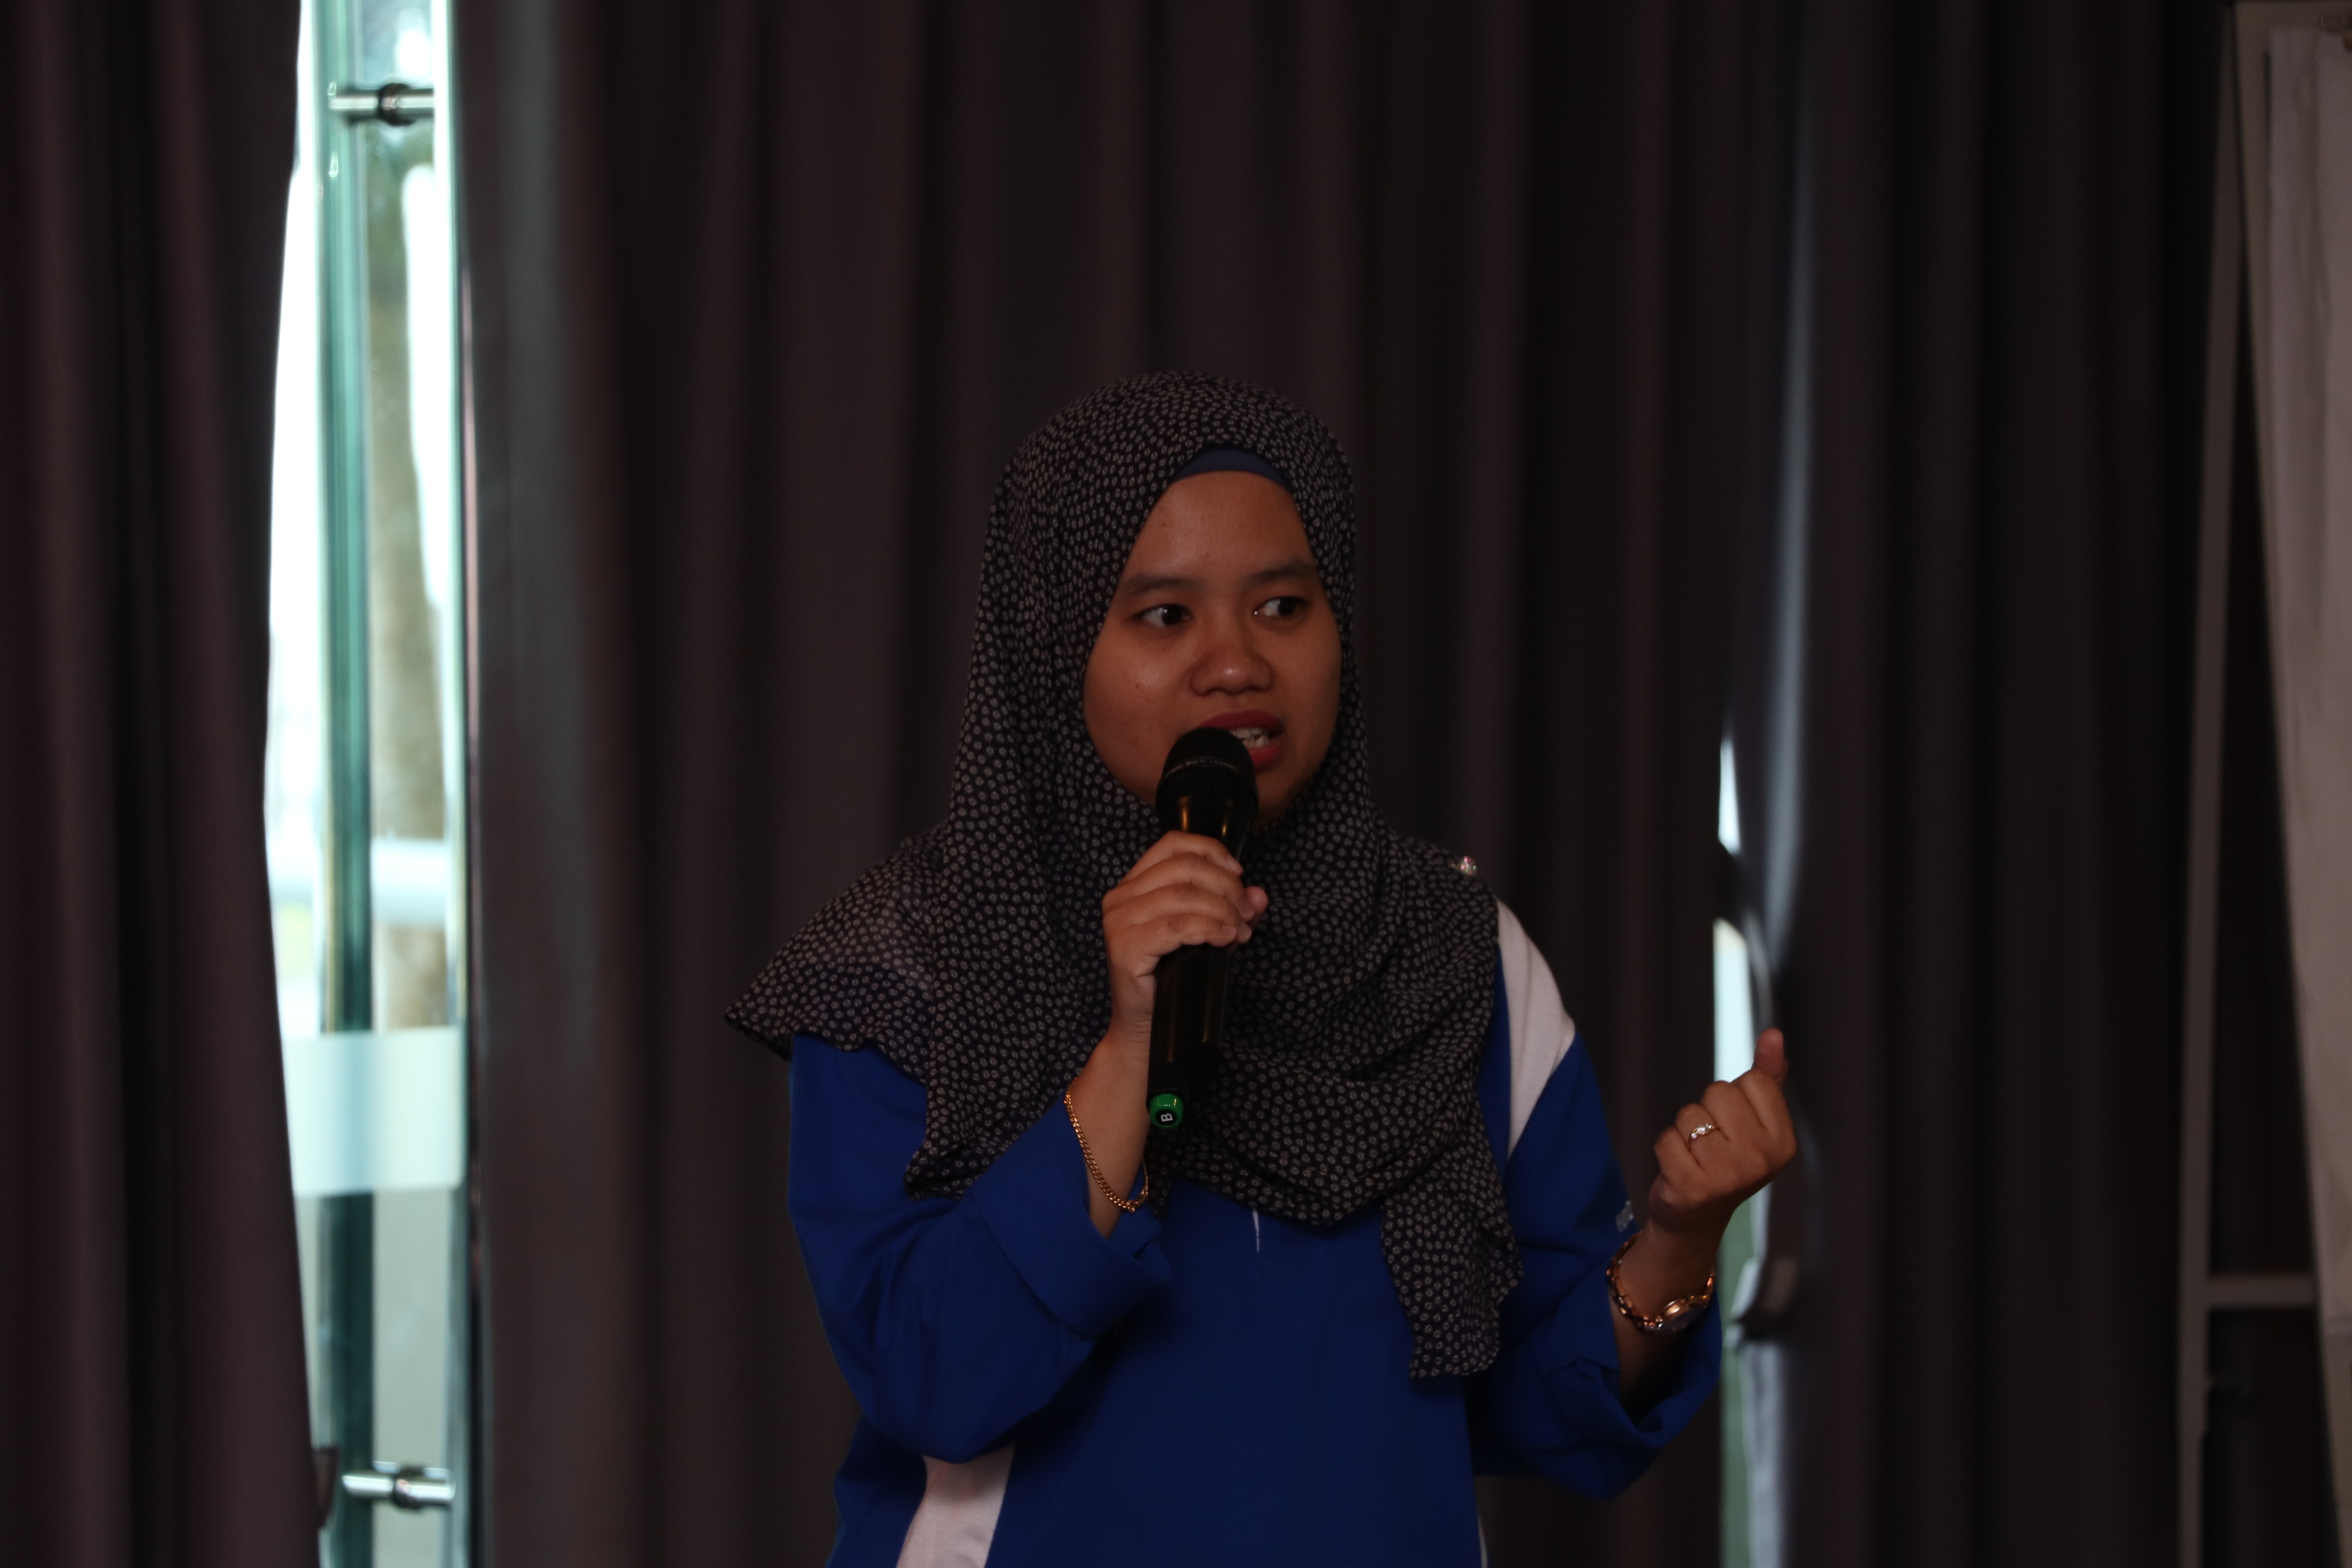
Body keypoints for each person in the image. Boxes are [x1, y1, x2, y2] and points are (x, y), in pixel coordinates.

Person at [730, 373, 1795, 1568]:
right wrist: (1130, 1050)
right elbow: (935, 1377)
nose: (1236, 665)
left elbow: (1538, 1410)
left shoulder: (1458, 959)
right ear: (1053, 642)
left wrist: (1681, 1236)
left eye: (1284, 606)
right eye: (1164, 616)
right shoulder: (908, 966)